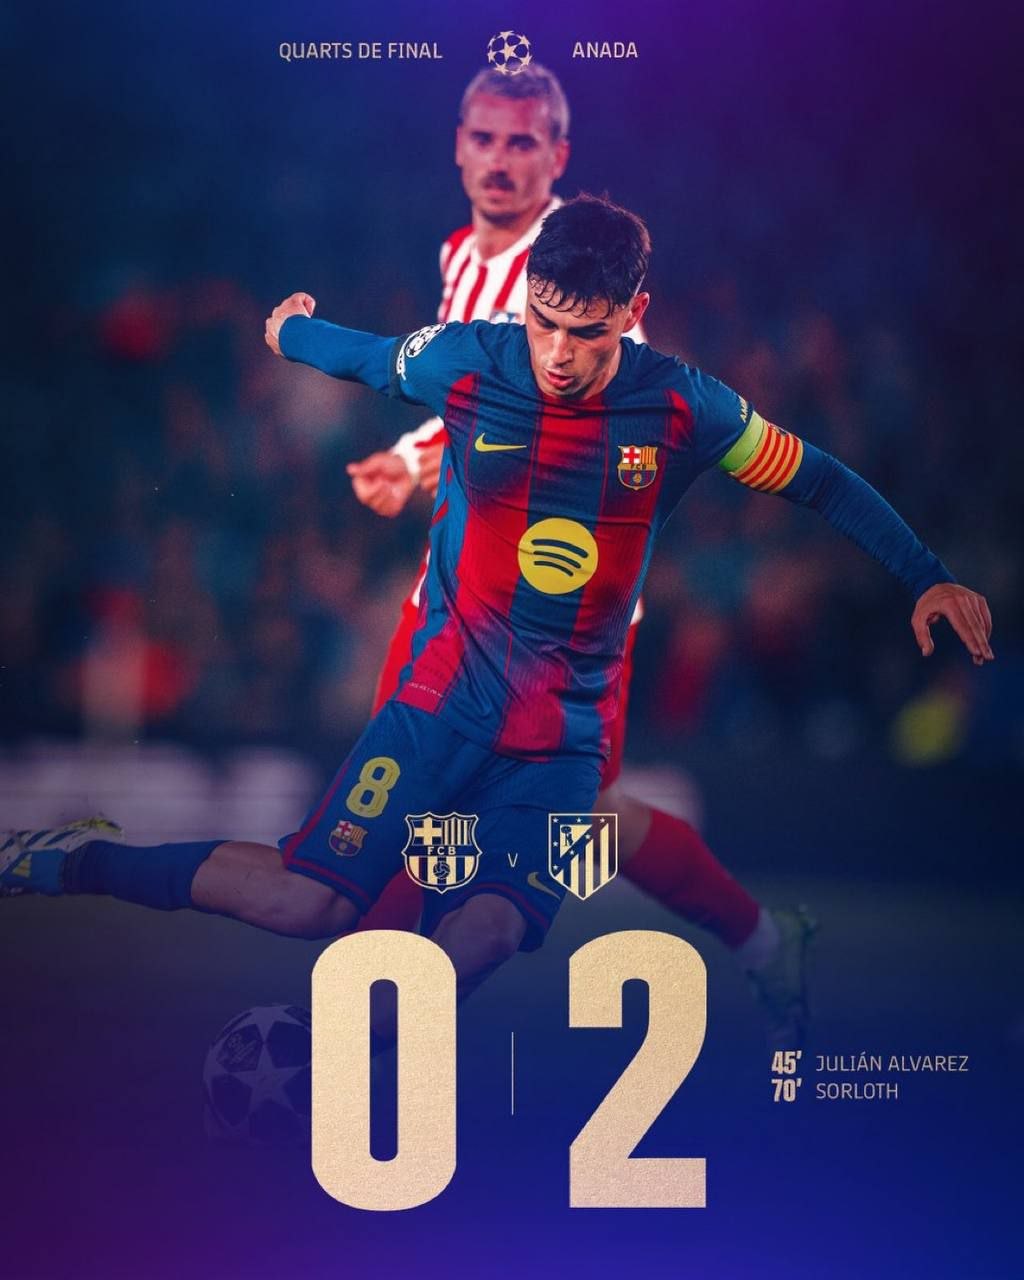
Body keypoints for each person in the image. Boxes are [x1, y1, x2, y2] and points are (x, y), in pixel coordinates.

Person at [2, 197, 993, 1050]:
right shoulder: (470, 359)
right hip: (440, 704)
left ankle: (334, 1062)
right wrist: (290, 332)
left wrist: (927, 577)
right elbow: (365, 357)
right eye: (543, 320)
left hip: (560, 742)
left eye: (586, 333)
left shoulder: (688, 408)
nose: (557, 352)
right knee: (308, 901)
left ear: (634, 314)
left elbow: (821, 480)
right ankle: (68, 857)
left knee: (484, 936)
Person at [343, 63, 816, 1040]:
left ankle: (356, 1033)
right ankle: (762, 938)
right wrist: (414, 457)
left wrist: (419, 458)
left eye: (522, 142)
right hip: (469, 594)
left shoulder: (576, 273)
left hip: (562, 622)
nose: (500, 161)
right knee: (514, 815)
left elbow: (580, 421)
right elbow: (486, 409)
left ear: (558, 156)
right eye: (484, 138)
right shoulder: (462, 255)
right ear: (457, 145)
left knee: (525, 815)